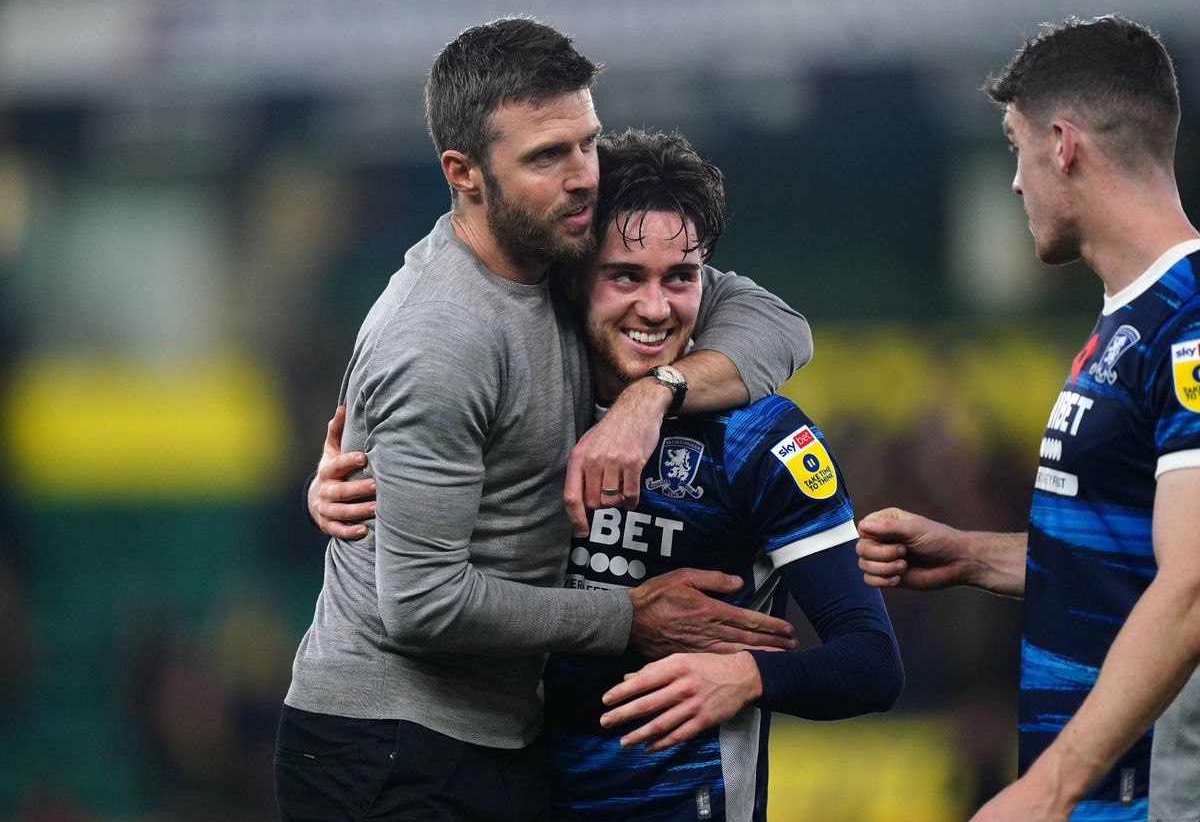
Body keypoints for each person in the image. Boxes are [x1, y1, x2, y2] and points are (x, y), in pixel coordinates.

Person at [277, 18, 812, 822]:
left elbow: (777, 324)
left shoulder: (567, 253)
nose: (583, 178)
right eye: (544, 157)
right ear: (464, 174)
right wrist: (628, 617)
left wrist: (650, 395)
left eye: (586, 144)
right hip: (386, 743)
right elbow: (421, 604)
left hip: (497, 737)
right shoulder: (442, 339)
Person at [317, 127, 903, 821]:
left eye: (679, 278)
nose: (655, 308)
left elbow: (872, 662)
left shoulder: (759, 436)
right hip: (511, 789)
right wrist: (343, 487)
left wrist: (745, 676)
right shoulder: (524, 390)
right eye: (625, 275)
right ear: (574, 273)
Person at [856, 15, 1200, 822]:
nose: (1015, 181)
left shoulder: (1190, 322)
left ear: (1062, 144)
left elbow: (1191, 583)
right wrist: (973, 554)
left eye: (1014, 145)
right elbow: (1133, 559)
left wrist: (1052, 786)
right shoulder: (1131, 321)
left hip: (1147, 797)